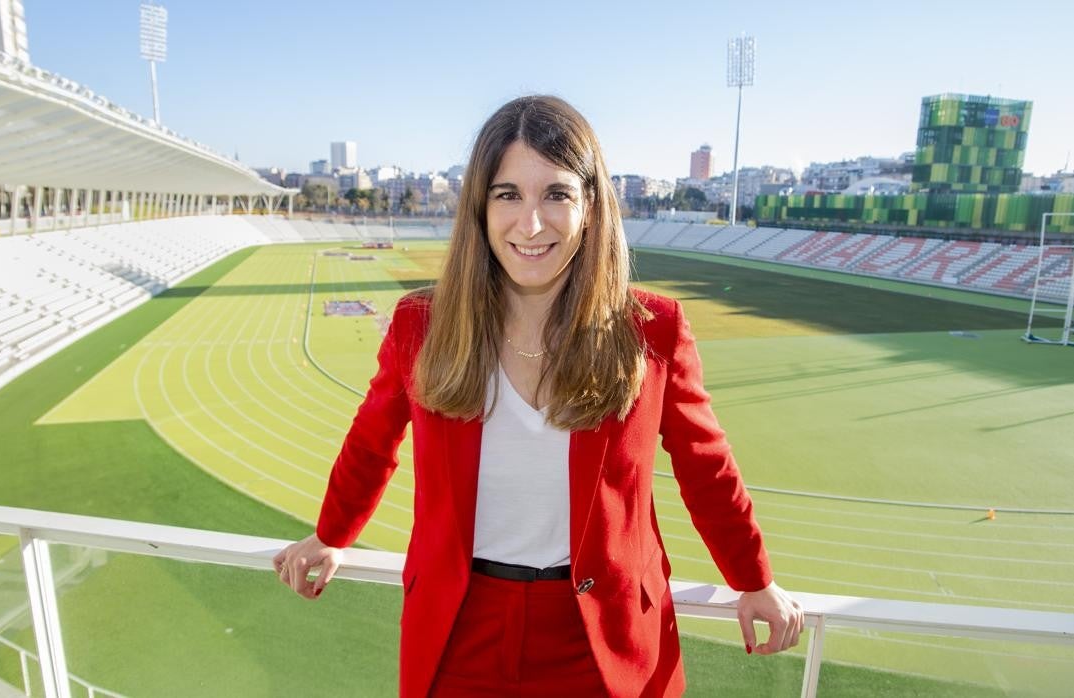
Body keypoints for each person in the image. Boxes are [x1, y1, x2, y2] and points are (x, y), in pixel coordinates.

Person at [274, 95, 803, 697]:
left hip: (606, 641)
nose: (531, 224)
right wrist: (331, 532)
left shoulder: (651, 329)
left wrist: (754, 579)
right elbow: (373, 441)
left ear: (590, 205)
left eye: (556, 194)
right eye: (508, 195)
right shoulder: (421, 325)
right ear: (480, 205)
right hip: (459, 634)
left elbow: (705, 467)